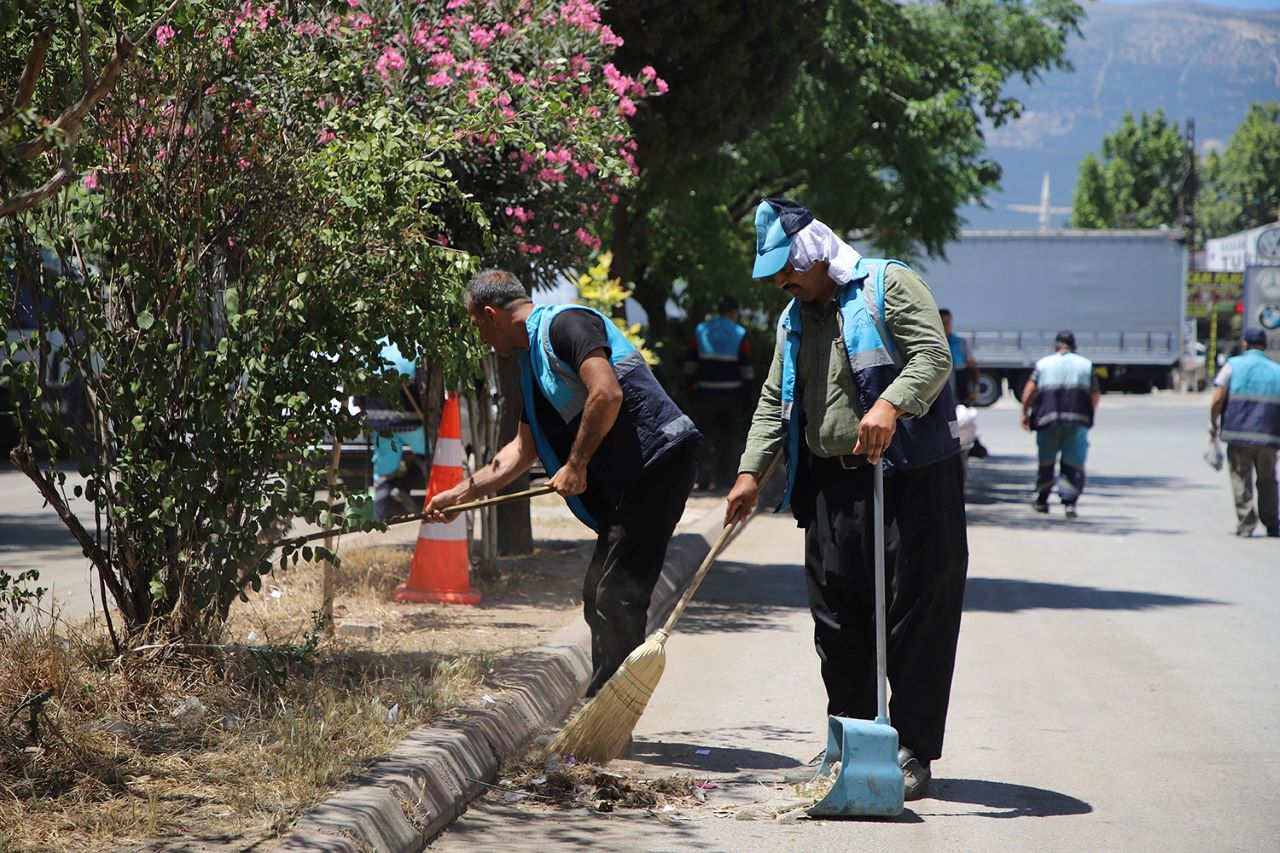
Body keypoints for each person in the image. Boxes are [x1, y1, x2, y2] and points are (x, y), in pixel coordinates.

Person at [725, 198, 967, 801]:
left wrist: (890, 404)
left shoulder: (888, 284)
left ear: (813, 256)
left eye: (787, 269)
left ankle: (910, 749)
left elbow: (933, 356)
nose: (782, 281)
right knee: (837, 619)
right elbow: (773, 398)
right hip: (834, 483)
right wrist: (751, 471)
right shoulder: (793, 318)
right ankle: (854, 741)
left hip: (908, 475)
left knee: (914, 615)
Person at [424, 270, 702, 694]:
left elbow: (606, 393)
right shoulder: (530, 368)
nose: (479, 336)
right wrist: (459, 494)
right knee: (599, 597)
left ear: (491, 313)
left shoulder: (566, 324)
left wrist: (576, 464)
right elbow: (519, 451)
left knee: (616, 598)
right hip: (629, 483)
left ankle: (607, 714)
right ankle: (609, 707)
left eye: (477, 325)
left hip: (656, 465)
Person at [1020, 330, 1100, 519]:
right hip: (1077, 421)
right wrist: (1090, 414)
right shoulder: (1086, 365)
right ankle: (1070, 504)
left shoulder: (1043, 364)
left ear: (1055, 345)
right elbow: (1095, 393)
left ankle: (1042, 500)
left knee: (1046, 461)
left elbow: (1030, 390)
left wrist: (1025, 413)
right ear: (1074, 346)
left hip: (1048, 420)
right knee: (1073, 462)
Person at [1209, 328, 1280, 538]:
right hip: (1269, 436)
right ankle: (1273, 524)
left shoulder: (1233, 365)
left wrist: (1213, 421)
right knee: (1268, 480)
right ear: (1264, 346)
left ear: (1245, 344)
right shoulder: (1277, 370)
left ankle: (1247, 523)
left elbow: (1218, 396)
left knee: (1241, 477)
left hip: (1239, 434)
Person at [685, 295, 754, 490]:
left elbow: (691, 362)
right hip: (732, 395)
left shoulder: (701, 330)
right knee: (728, 438)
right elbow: (746, 367)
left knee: (704, 436)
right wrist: (748, 392)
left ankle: (703, 477)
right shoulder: (739, 333)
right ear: (733, 313)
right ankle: (725, 479)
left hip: (705, 392)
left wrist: (690, 386)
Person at [358, 340, 428, 520]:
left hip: (379, 422)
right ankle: (405, 487)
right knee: (429, 452)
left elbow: (358, 392)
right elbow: (423, 386)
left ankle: (379, 519)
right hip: (410, 419)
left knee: (383, 472)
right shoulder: (413, 349)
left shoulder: (370, 348)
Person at [940, 308, 988, 459]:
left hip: (959, 397)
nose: (944, 326)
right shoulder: (932, 343)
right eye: (941, 323)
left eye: (947, 323)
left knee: (958, 429)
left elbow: (973, 368)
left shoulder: (960, 343)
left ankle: (957, 453)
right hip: (941, 396)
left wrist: (975, 389)